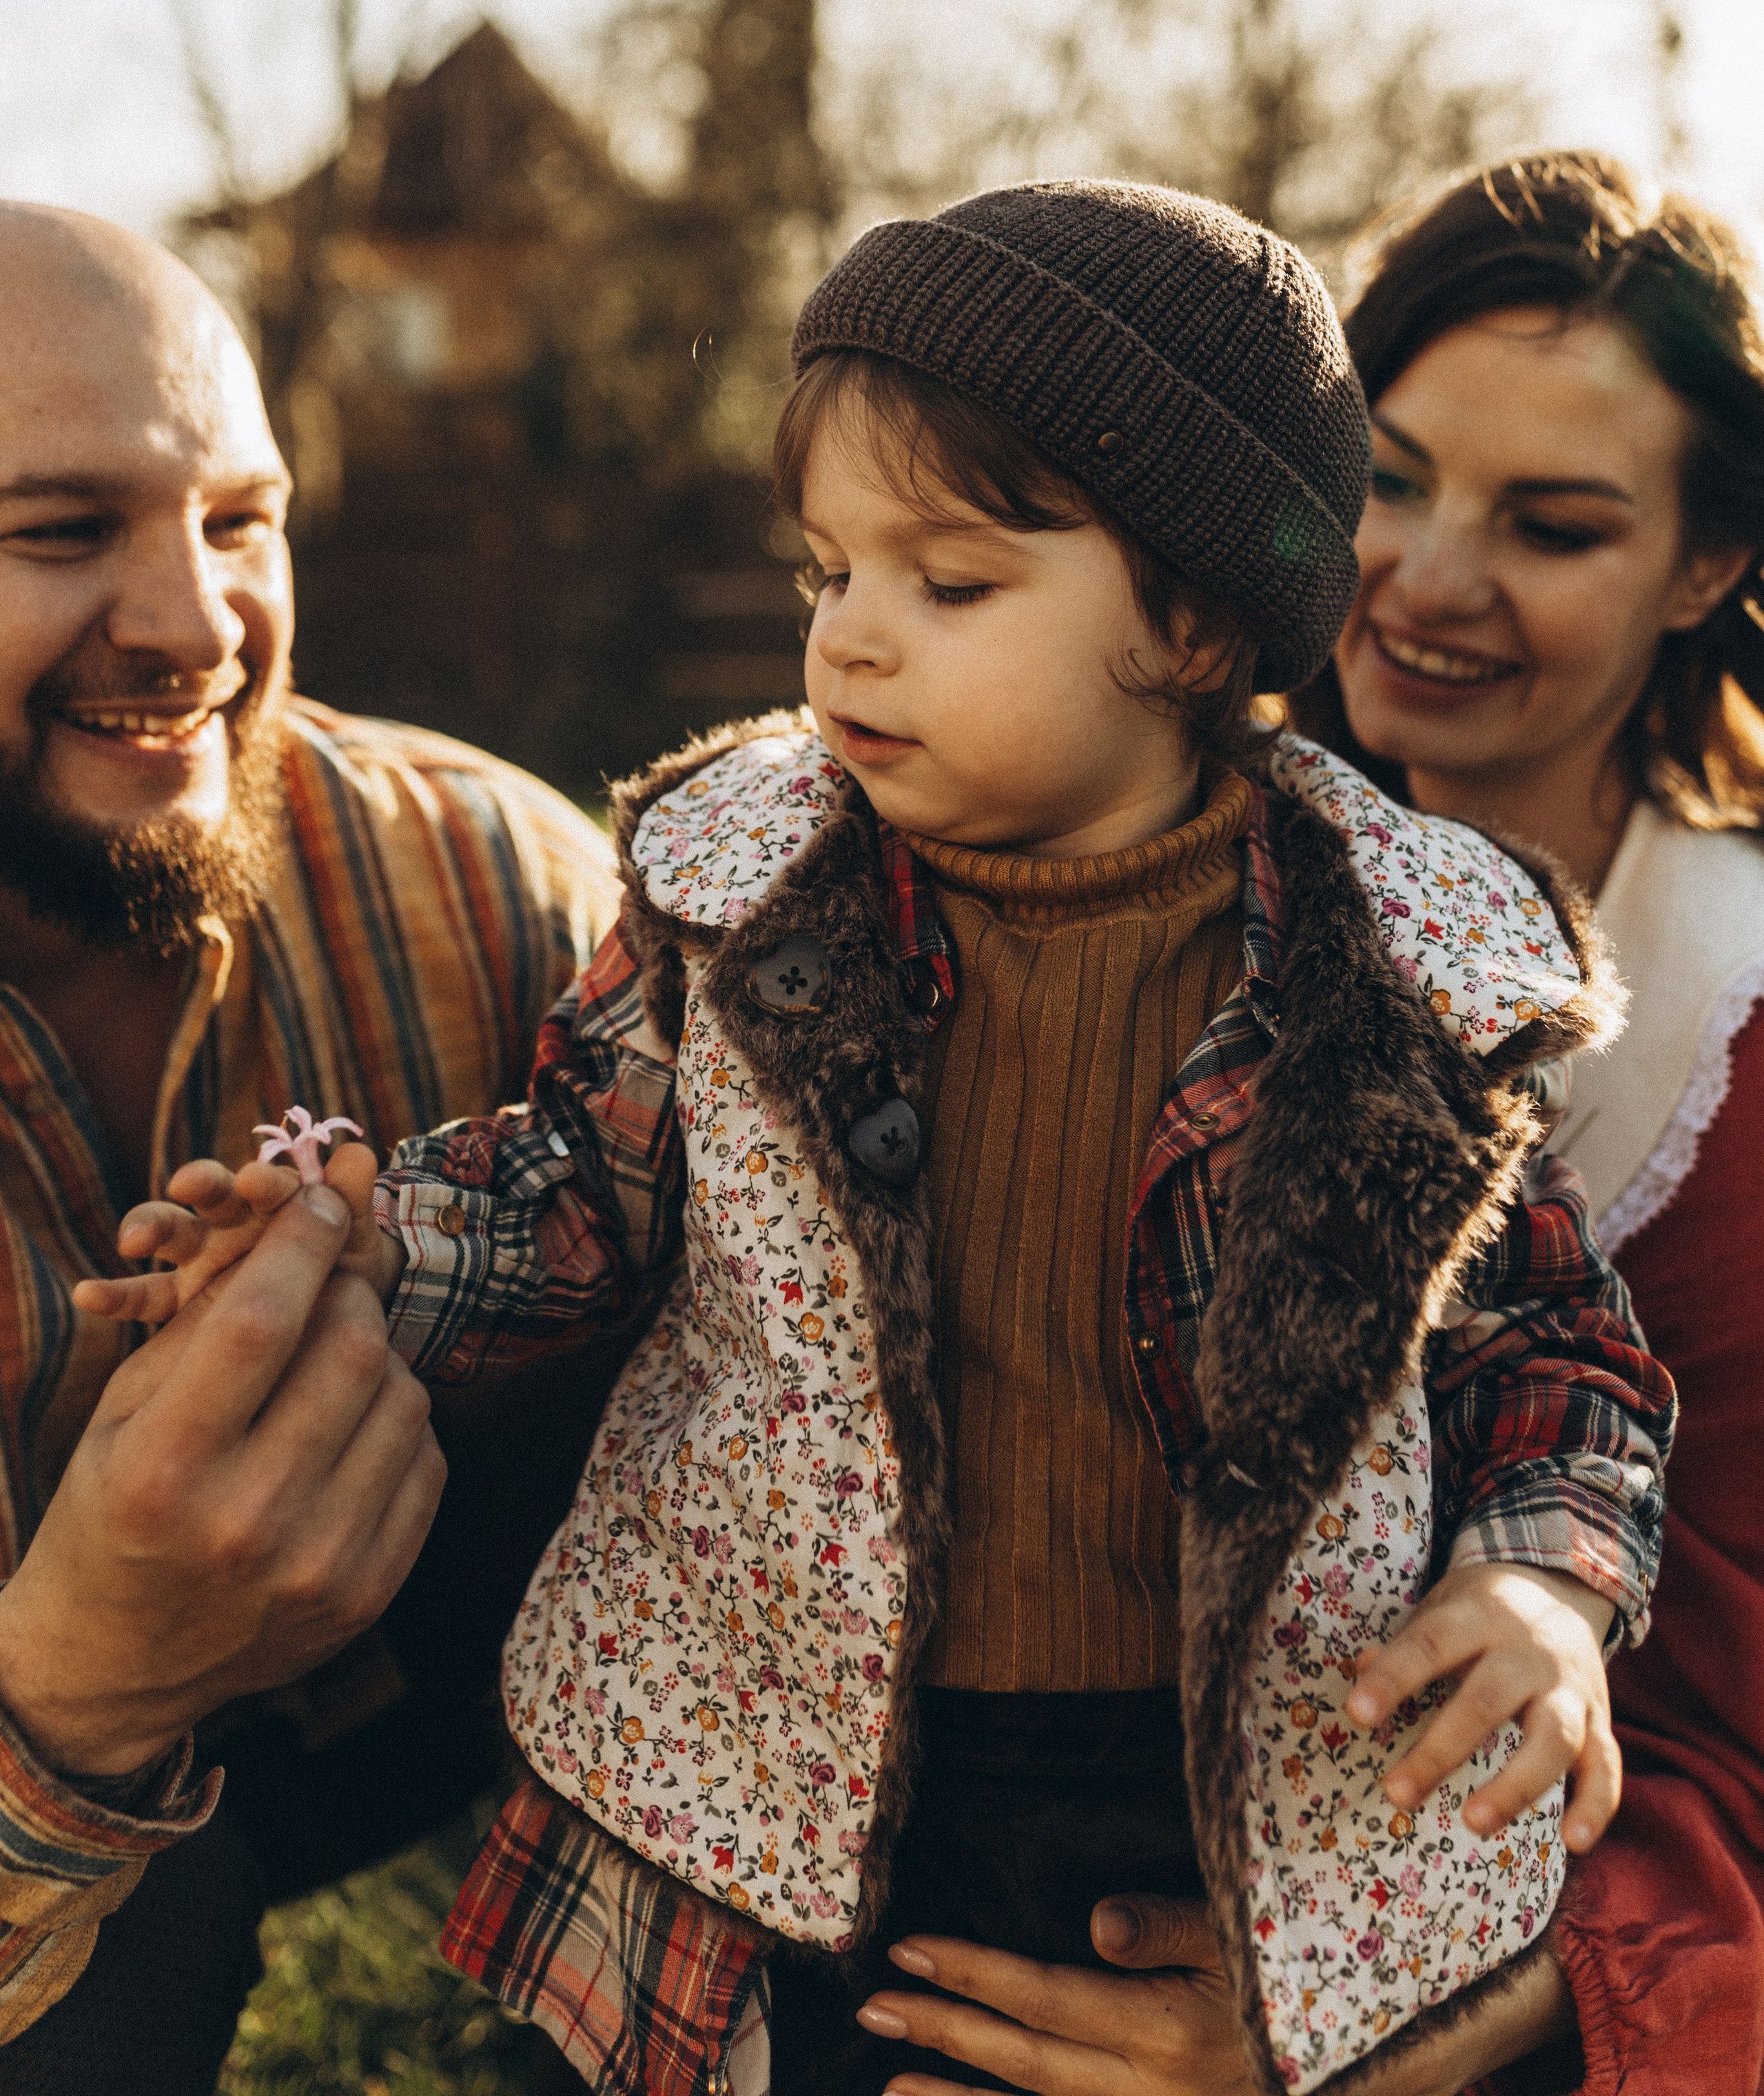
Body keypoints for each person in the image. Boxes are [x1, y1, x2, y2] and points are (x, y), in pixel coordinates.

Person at [119, 181, 1675, 2096]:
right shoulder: (750, 902)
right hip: (792, 1736)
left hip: (1236, 1781)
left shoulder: (1396, 979)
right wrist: (356, 1236)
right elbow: (573, 1197)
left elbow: (1556, 1356)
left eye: (947, 586)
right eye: (825, 574)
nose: (850, 644)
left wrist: (1543, 1583)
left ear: (1190, 623)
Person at [0, 203, 620, 2089]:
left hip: (487, 1685)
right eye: (56, 529)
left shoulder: (500, 880)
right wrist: (87, 1683)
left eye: (239, 517)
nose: (195, 625)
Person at [1294, 147, 1764, 2096]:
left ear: (1709, 568)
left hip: (1543, 1937)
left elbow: (1741, 1722)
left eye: (1554, 524)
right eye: (1388, 479)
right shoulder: (1124, 860)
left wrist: (1389, 2043)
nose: (1428, 576)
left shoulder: (1743, 1049)